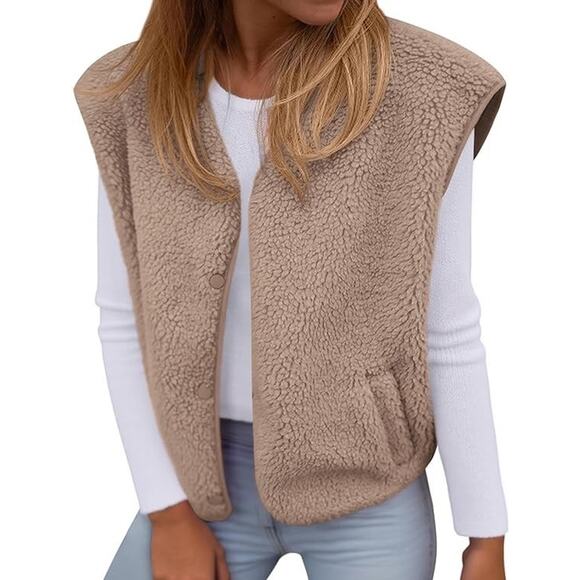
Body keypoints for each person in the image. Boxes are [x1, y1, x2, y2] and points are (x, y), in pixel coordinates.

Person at [74, 1, 508, 579]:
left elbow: (447, 329)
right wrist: (168, 512)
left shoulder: (427, 88)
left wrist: (485, 538)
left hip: (367, 488)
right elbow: (124, 316)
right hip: (201, 481)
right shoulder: (136, 94)